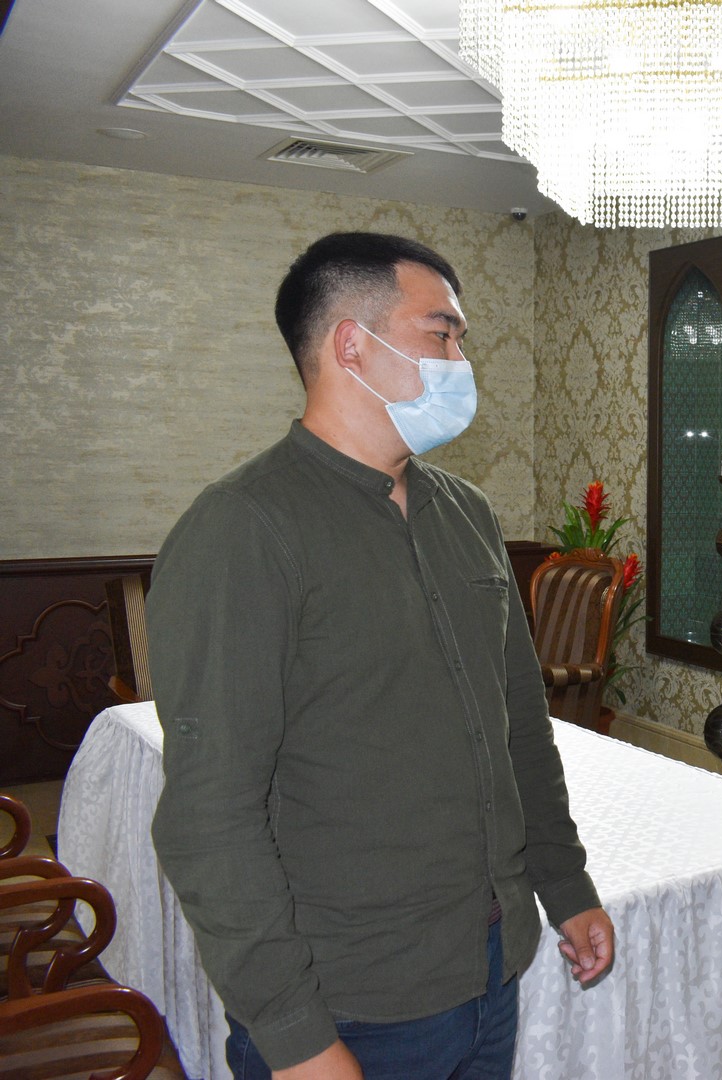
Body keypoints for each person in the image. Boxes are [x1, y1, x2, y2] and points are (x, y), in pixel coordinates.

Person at [148, 232, 614, 1080]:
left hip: (490, 969)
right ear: (351, 345)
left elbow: (519, 727)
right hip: (352, 1000)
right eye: (442, 334)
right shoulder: (243, 530)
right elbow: (210, 817)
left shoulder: (466, 514)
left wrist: (565, 885)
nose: (460, 360)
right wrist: (295, 1035)